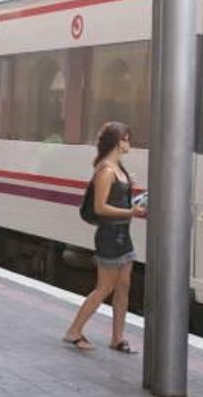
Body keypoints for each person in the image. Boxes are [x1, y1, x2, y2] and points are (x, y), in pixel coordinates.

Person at [63, 121, 145, 353]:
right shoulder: (107, 171)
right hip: (109, 236)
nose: (129, 143)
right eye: (126, 138)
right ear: (117, 142)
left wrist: (129, 192)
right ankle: (74, 330)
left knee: (123, 287)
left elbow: (115, 199)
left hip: (123, 235)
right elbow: (100, 208)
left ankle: (117, 337)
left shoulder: (118, 168)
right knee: (104, 287)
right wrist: (131, 211)